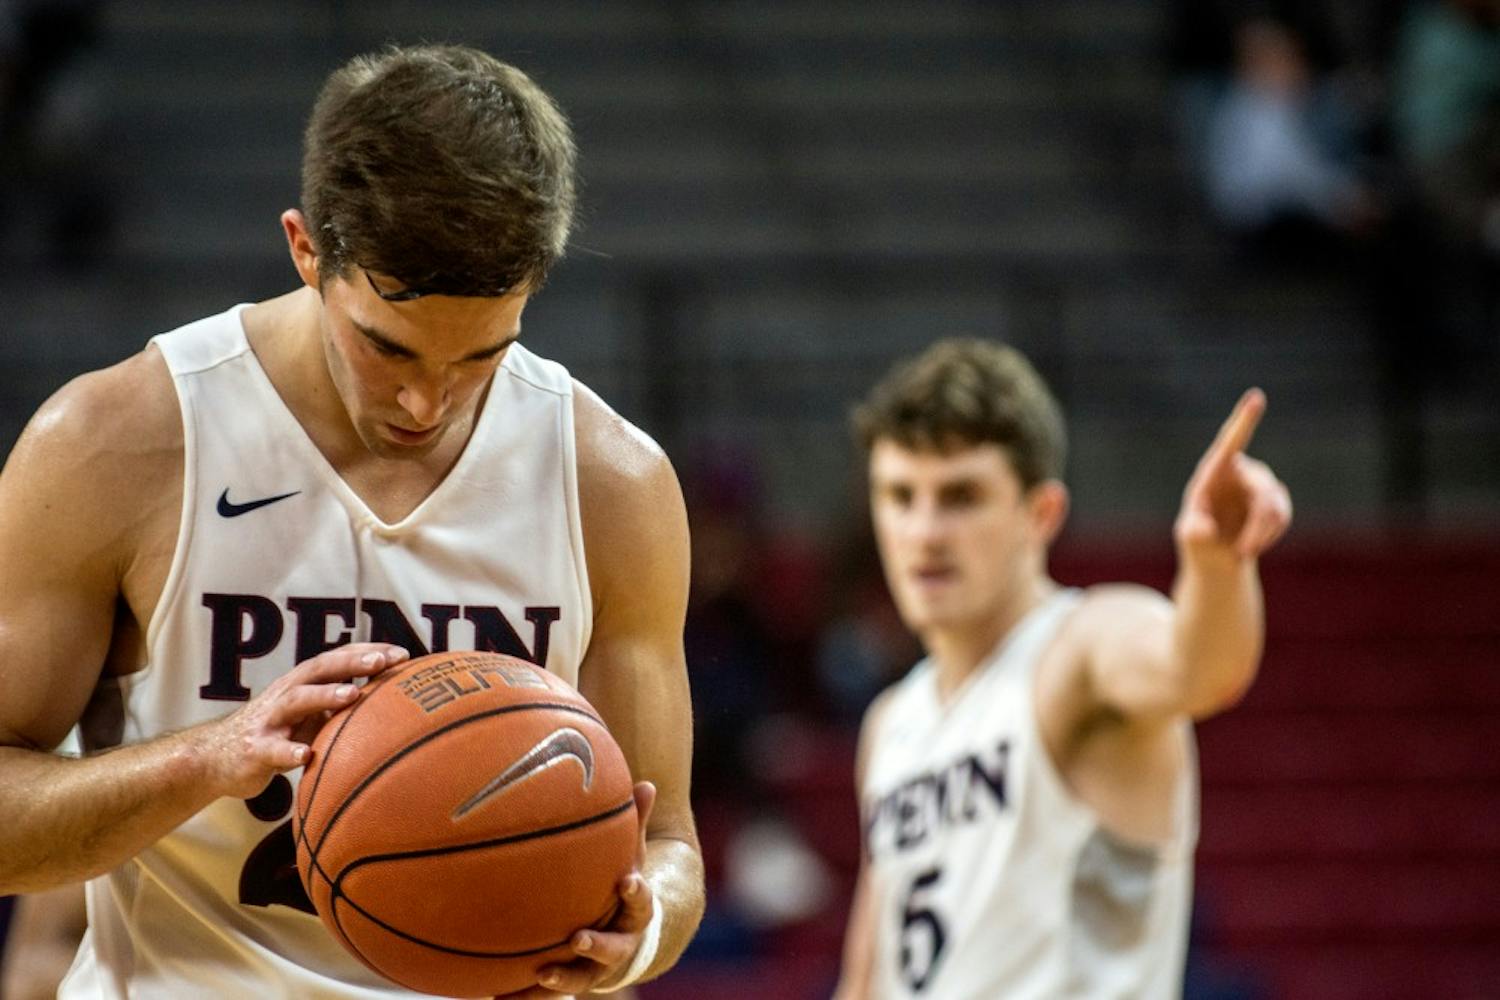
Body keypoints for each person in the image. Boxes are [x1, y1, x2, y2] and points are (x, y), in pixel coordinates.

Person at [0, 43, 703, 999]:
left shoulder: (613, 483)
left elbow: (670, 844)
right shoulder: (115, 441)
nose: (428, 402)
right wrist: (209, 758)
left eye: (480, 357)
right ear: (305, 248)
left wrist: (643, 923)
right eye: (388, 348)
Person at [833, 339, 1292, 999]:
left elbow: (1199, 668)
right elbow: (867, 982)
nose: (925, 531)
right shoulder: (890, 723)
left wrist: (1216, 566)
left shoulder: (1080, 648)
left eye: (961, 496)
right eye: (901, 496)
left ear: (1040, 514)